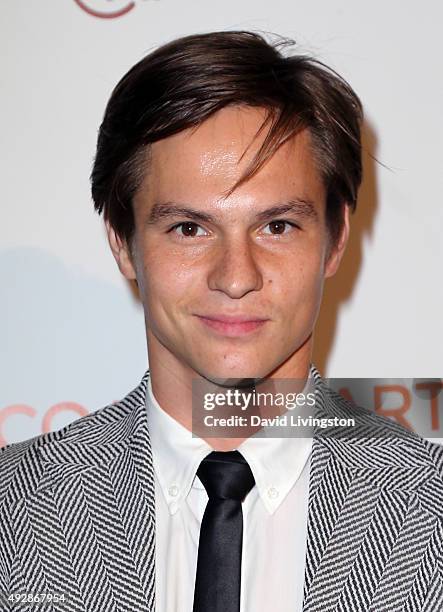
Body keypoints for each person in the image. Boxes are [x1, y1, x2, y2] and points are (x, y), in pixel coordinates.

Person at [1, 31, 442, 612]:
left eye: (277, 226)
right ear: (122, 241)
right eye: (189, 228)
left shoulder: (430, 506)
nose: (236, 277)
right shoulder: (16, 504)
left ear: (335, 239)